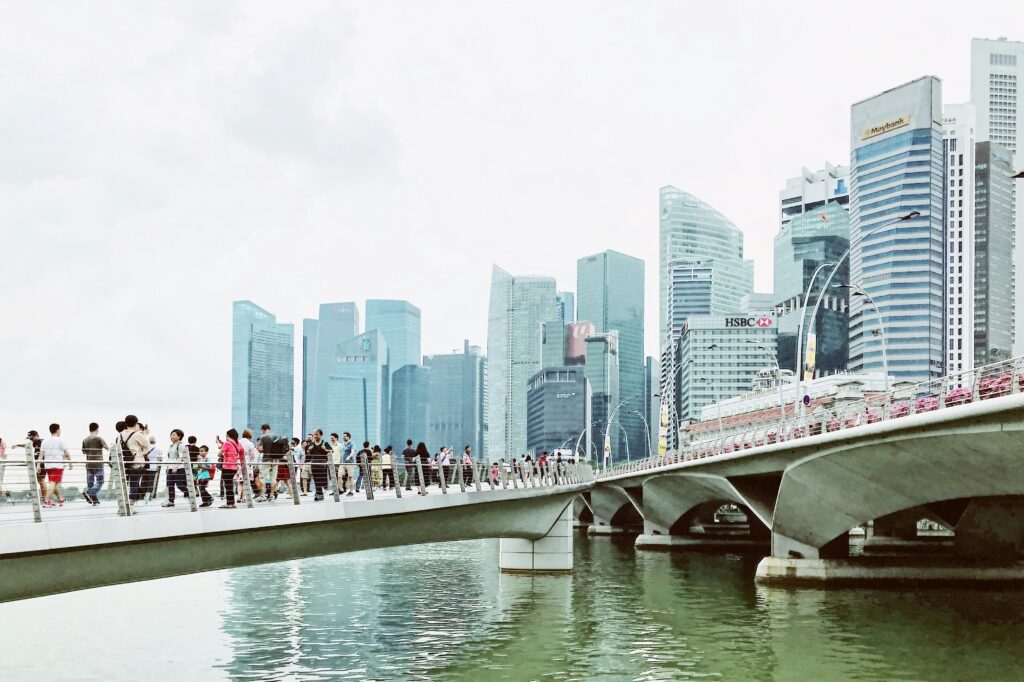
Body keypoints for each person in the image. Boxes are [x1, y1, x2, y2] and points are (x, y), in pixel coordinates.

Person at [119, 415, 150, 504]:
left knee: (126, 483)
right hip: (136, 462)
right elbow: (147, 444)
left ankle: (125, 503)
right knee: (134, 483)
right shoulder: (137, 434)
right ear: (136, 423)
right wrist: (145, 434)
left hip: (124, 462)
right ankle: (131, 504)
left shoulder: (120, 435)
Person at [40, 423, 72, 507]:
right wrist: (70, 463)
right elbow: (66, 453)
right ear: (57, 430)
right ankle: (46, 501)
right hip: (57, 465)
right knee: (53, 483)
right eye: (60, 429)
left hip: (47, 466)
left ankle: (60, 499)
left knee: (53, 483)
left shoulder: (45, 441)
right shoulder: (60, 440)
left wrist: (38, 466)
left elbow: (41, 455)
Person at [163, 429, 191, 507]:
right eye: (171, 435)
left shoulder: (181, 445)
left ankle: (191, 494)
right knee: (170, 485)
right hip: (170, 467)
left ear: (179, 436)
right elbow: (170, 458)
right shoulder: (171, 445)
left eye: (174, 435)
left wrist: (175, 466)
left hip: (179, 468)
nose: (171, 436)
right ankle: (171, 501)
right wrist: (168, 467)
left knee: (180, 485)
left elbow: (181, 457)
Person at [81, 422, 108, 504]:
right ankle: (89, 492)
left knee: (90, 484)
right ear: (97, 428)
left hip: (89, 464)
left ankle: (95, 501)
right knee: (100, 481)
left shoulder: (85, 440)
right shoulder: (98, 438)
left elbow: (84, 452)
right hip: (98, 463)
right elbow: (107, 448)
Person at [305, 430, 331, 501]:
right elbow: (307, 453)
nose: (315, 436)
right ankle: (318, 493)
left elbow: (332, 451)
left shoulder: (325, 443)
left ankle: (319, 493)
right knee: (316, 480)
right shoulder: (312, 444)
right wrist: (309, 450)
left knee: (321, 480)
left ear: (321, 435)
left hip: (322, 464)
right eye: (314, 435)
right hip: (314, 464)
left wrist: (325, 449)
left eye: (317, 434)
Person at [256, 424, 276, 501]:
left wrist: (265, 449)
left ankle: (263, 495)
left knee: (262, 477)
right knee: (273, 478)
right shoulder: (274, 435)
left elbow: (260, 449)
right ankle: (271, 496)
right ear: (269, 428)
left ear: (263, 429)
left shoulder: (263, 437)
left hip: (266, 459)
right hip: (275, 460)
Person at [238, 428, 258, 503]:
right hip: (247, 463)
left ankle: (238, 497)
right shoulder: (250, 443)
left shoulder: (238, 442)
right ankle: (243, 497)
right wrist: (252, 462)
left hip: (238, 463)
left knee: (240, 482)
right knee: (246, 481)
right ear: (250, 435)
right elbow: (252, 455)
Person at [142, 435, 164, 503]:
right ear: (155, 441)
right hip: (153, 468)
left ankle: (142, 495)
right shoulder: (157, 449)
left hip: (145, 467)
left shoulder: (146, 448)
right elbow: (161, 453)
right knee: (150, 483)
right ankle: (148, 497)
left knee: (144, 482)